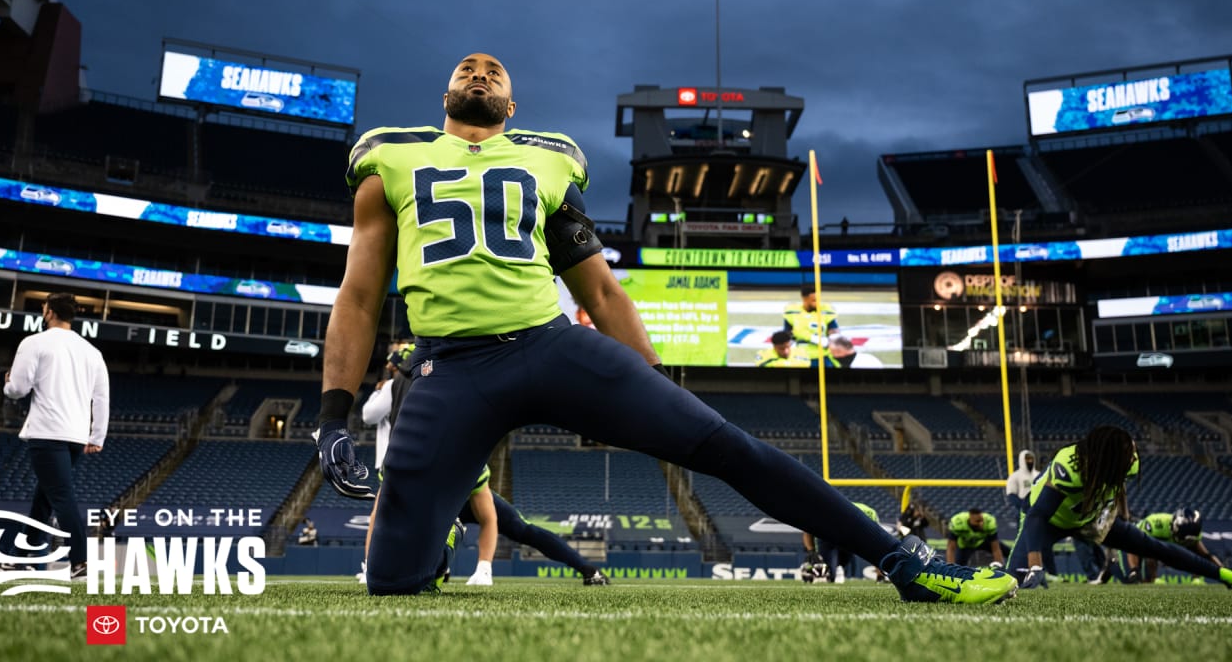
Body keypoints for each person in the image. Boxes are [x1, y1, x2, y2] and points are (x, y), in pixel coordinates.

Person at [312, 51, 1017, 603]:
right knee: (393, 581)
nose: (480, 71)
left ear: (511, 104)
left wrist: (648, 386)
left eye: (494, 71)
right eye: (467, 68)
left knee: (726, 446)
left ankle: (906, 561)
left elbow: (602, 291)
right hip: (448, 368)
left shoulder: (547, 163)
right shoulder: (391, 159)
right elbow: (360, 295)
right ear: (446, 96)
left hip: (550, 346)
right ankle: (428, 543)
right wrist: (333, 417)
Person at [1006, 425, 1232, 590]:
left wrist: (1121, 515)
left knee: (1153, 546)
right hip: (1049, 520)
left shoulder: (1129, 464)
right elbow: (1037, 515)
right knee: (1011, 583)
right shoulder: (1070, 465)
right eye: (1129, 454)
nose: (1134, 458)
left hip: (1090, 516)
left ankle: (1228, 576)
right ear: (1108, 458)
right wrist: (1035, 565)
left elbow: (1119, 486)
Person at [3, 292, 109, 580]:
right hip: (76, 436)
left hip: (48, 432)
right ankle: (20, 559)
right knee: (44, 499)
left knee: (60, 496)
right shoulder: (91, 351)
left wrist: (8, 383)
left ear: (49, 312)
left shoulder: (35, 343)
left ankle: (80, 560)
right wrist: (97, 435)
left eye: (44, 308)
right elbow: (101, 398)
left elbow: (19, 389)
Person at [460, 465, 608, 586]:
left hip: (471, 499)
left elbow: (489, 520)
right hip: (444, 504)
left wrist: (484, 567)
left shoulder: (474, 469)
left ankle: (587, 569)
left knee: (522, 529)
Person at [1124, 509, 1225, 584]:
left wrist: (1224, 571)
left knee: (1198, 555)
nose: (1183, 542)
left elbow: (1206, 555)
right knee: (1132, 579)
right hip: (1133, 545)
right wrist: (1135, 570)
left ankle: (1197, 579)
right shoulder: (1156, 523)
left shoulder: (1193, 533)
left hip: (1158, 544)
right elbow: (1133, 544)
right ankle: (1148, 577)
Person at [804, 502, 879, 583]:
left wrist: (880, 573)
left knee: (836, 569)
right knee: (828, 573)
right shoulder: (823, 512)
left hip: (849, 539)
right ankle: (815, 570)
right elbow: (808, 531)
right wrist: (811, 551)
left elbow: (876, 547)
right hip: (828, 537)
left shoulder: (869, 514)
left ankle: (835, 570)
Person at [782, 286, 838, 352]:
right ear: (804, 299)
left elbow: (834, 334)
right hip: (801, 354)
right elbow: (788, 335)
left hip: (822, 355)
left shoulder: (826, 310)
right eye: (814, 300)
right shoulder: (792, 312)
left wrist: (830, 340)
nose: (817, 303)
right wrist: (815, 339)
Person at [1005, 449, 1041, 523]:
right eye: (1027, 459)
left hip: (1038, 508)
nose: (1030, 461)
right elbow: (1011, 494)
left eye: (1031, 459)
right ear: (1022, 460)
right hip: (1023, 509)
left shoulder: (1039, 475)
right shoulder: (1015, 476)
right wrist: (1023, 506)